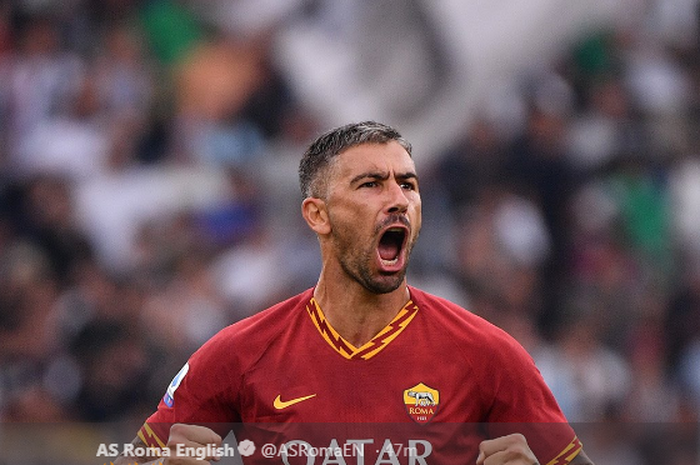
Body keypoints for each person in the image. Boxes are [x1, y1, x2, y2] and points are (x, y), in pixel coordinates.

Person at [116, 121, 594, 464]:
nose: (397, 199)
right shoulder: (241, 354)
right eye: (371, 184)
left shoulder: (488, 356)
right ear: (317, 215)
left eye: (408, 185)